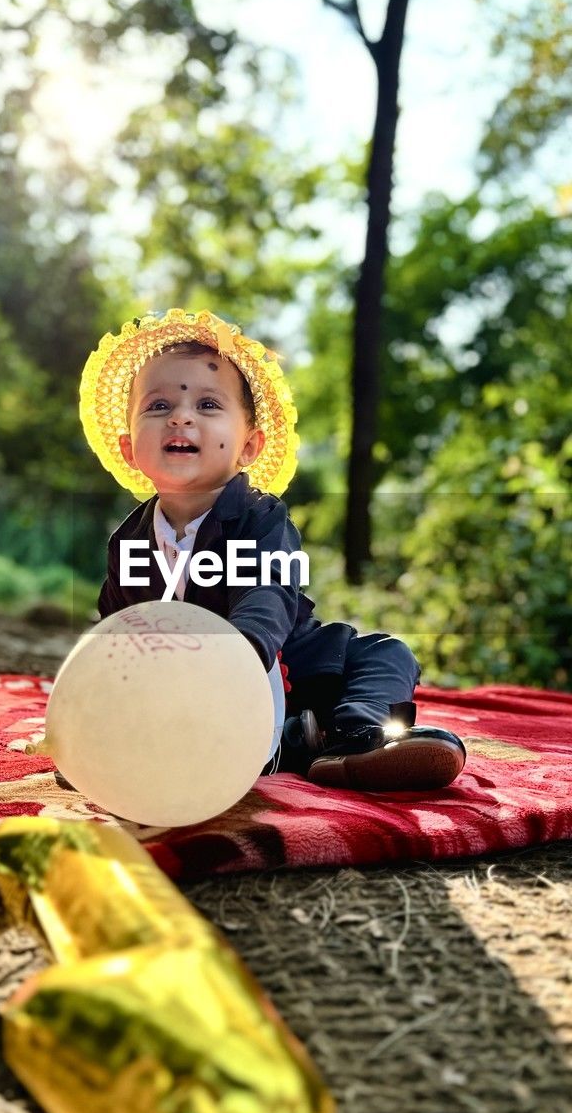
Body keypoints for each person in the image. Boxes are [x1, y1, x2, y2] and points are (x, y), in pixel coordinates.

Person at [79, 308, 466, 791]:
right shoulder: (130, 542)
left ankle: (356, 735)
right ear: (130, 448)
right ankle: (298, 744)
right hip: (189, 696)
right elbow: (116, 629)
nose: (180, 416)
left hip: (282, 663)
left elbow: (266, 592)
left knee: (387, 653)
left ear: (248, 447)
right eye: (158, 407)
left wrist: (235, 656)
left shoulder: (259, 517)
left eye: (207, 406)